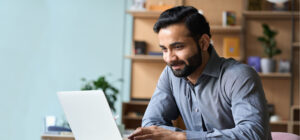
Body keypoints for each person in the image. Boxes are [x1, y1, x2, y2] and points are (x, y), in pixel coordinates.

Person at [128, 6, 271, 140]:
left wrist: (181, 137)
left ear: (203, 43)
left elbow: (253, 134)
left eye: (178, 47)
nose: (169, 58)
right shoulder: (171, 74)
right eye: (164, 49)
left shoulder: (238, 76)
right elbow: (151, 124)